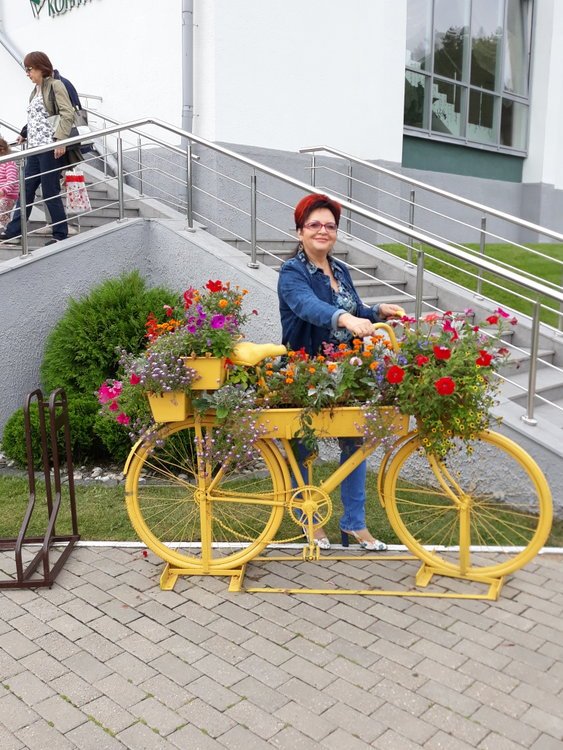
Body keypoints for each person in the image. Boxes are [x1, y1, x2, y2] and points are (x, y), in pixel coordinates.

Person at [278, 194, 404, 550]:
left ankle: (355, 525)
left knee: (355, 444)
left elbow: (355, 308)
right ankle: (309, 521)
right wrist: (345, 318)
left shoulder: (340, 270)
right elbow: (309, 306)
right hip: (305, 371)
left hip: (345, 372)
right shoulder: (292, 273)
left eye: (330, 226)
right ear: (300, 231)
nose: (323, 231)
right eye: (314, 224)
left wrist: (377, 311)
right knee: (302, 448)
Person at [0, 51, 82, 247]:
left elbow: (66, 113)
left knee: (50, 190)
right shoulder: (35, 91)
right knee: (26, 189)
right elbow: (37, 118)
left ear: (40, 67)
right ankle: (14, 232)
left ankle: (60, 233)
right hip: (35, 149)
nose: (27, 73)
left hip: (50, 148)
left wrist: (60, 141)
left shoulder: (55, 85)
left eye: (29, 69)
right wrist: (24, 133)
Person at [0, 138, 19, 231]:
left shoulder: (9, 163)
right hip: (2, 196)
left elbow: (12, 180)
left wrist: (3, 191)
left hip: (8, 196)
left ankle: (6, 229)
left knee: (2, 210)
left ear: (2, 150)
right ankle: (7, 229)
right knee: (3, 214)